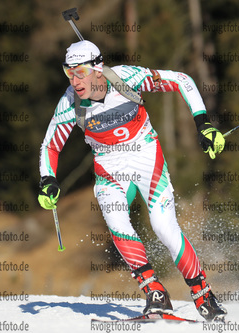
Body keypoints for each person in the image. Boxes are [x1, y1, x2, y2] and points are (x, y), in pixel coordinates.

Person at [38, 40, 227, 321]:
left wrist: (204, 124)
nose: (74, 80)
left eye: (79, 72)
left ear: (97, 69)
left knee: (163, 226)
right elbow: (50, 145)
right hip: (109, 165)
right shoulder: (69, 103)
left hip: (145, 155)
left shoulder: (125, 78)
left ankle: (202, 292)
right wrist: (48, 179)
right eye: (69, 72)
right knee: (116, 221)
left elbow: (181, 80)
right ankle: (154, 291)